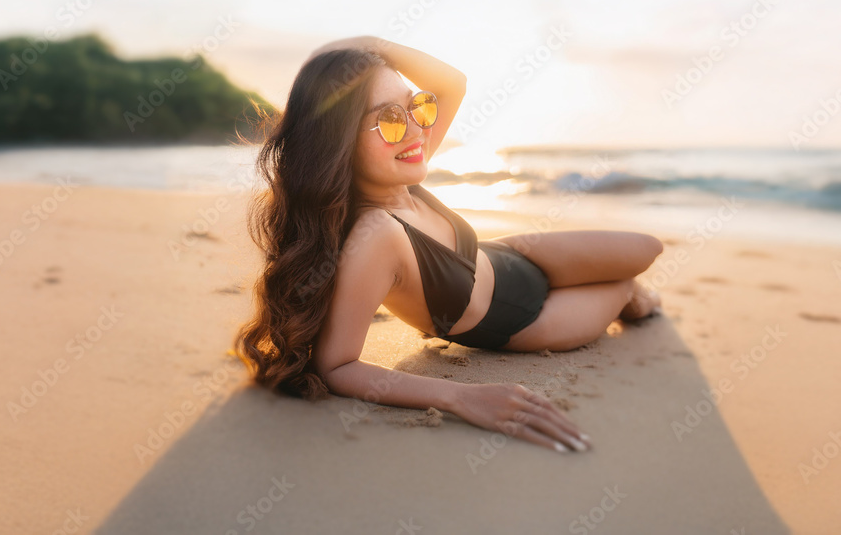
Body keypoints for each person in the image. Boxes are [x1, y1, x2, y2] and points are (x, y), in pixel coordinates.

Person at [232, 36, 664, 453]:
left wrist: (369, 46)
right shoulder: (375, 235)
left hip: (510, 256)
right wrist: (462, 397)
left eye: (415, 106)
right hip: (522, 319)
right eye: (388, 118)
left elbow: (451, 83)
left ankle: (624, 292)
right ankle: (632, 299)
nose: (417, 128)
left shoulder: (399, 163)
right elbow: (337, 366)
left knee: (647, 248)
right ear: (340, 138)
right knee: (625, 284)